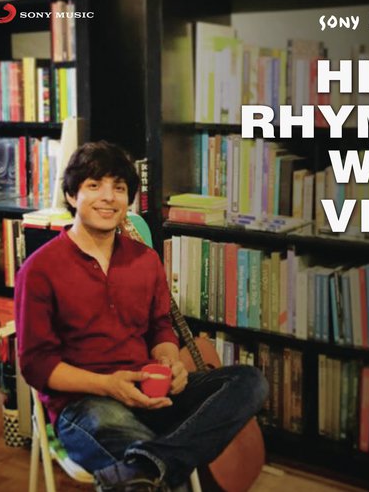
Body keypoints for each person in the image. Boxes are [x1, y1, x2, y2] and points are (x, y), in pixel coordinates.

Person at [15, 141, 269, 492]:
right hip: (86, 403)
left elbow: (160, 327)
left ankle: (152, 463)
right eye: (94, 185)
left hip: (149, 390)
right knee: (164, 484)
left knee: (249, 382)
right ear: (72, 195)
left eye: (119, 188)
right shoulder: (39, 269)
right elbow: (36, 366)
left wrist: (169, 363)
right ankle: (159, 467)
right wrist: (108, 385)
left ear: (128, 200)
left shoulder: (145, 260)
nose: (108, 197)